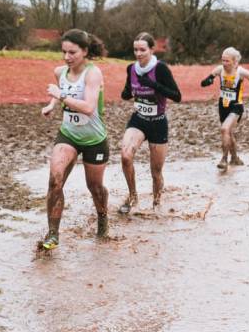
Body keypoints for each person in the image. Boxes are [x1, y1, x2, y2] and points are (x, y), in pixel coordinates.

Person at [39, 29, 109, 250]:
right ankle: (52, 234)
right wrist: (51, 104)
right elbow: (60, 90)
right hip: (68, 135)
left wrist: (60, 96)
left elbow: (88, 107)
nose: (67, 57)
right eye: (64, 52)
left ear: (85, 51)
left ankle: (102, 219)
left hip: (94, 139)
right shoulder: (59, 71)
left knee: (95, 187)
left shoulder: (92, 73)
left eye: (72, 52)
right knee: (55, 180)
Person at [118, 32, 181, 213]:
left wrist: (153, 85)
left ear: (152, 50)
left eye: (142, 50)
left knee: (156, 172)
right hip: (139, 119)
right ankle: (132, 197)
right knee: (126, 156)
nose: (138, 54)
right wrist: (127, 92)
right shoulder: (131, 69)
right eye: (135, 50)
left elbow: (177, 96)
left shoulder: (160, 69)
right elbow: (127, 92)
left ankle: (156, 203)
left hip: (158, 122)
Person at [199, 47, 249, 170]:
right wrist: (208, 81)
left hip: (236, 106)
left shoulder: (241, 72)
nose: (224, 63)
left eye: (227, 61)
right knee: (228, 132)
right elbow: (203, 82)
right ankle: (235, 158)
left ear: (234, 61)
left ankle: (224, 159)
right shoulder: (219, 70)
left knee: (224, 129)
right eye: (223, 60)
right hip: (223, 106)